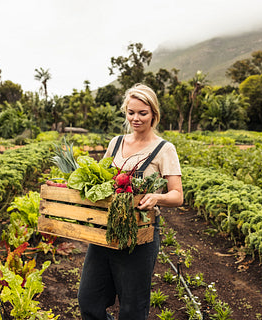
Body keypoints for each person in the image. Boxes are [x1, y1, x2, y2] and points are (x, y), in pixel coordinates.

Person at [77, 83, 183, 320]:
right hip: (105, 231)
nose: (136, 118)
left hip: (140, 235)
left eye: (142, 113)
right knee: (88, 300)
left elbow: (177, 195)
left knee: (132, 309)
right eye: (131, 112)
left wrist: (157, 196)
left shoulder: (164, 149)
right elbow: (101, 177)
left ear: (154, 115)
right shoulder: (116, 143)